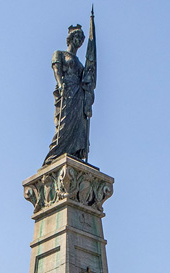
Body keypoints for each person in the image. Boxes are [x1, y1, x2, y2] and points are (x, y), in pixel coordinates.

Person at [43, 20, 96, 165]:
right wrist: (61, 85)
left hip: (78, 95)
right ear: (70, 39)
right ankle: (54, 155)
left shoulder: (80, 63)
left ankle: (74, 153)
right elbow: (56, 70)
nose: (78, 41)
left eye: (81, 39)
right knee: (64, 124)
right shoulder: (59, 54)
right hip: (67, 90)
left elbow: (86, 82)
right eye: (76, 37)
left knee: (78, 124)